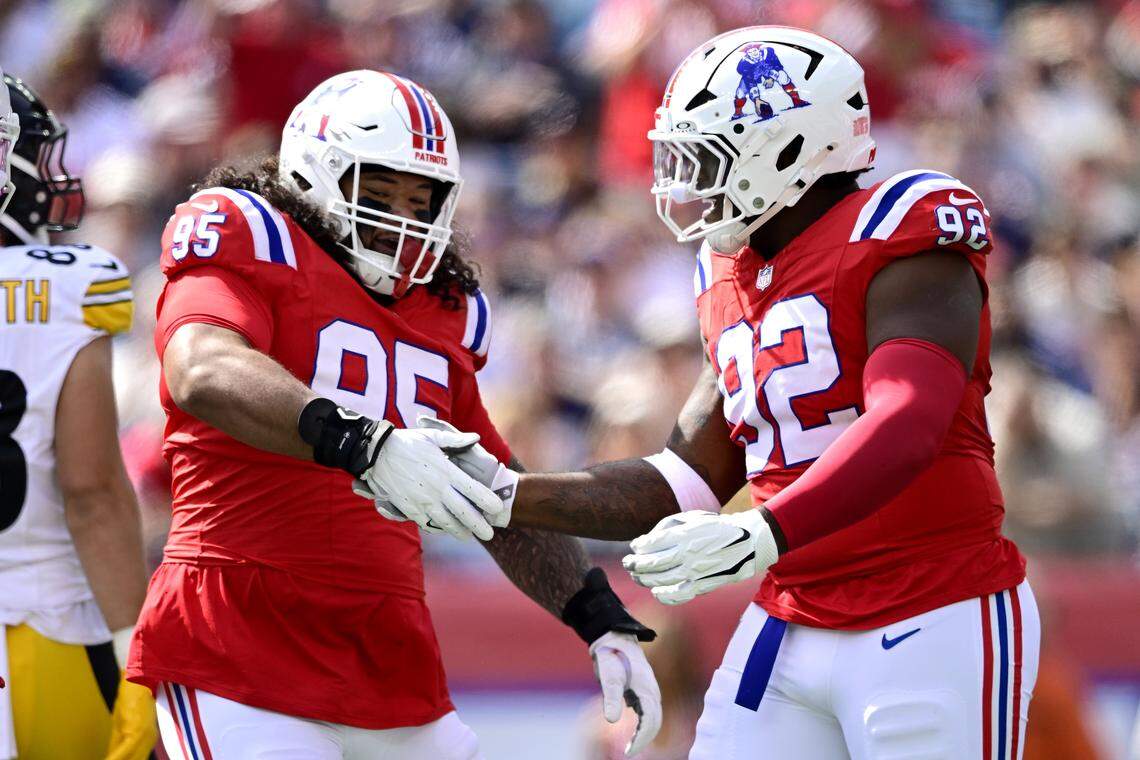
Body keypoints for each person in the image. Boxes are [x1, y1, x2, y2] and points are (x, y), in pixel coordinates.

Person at [386, 27, 1040, 759]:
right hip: (791, 616)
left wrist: (760, 532)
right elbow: (682, 478)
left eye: (707, 154)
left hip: (930, 607)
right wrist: (502, 490)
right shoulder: (727, 272)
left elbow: (909, 419)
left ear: (790, 148)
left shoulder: (901, 224)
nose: (687, 178)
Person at [125, 70, 660, 759]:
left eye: (420, 198)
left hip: (388, 660)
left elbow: (491, 488)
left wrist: (595, 614)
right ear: (315, 176)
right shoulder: (250, 237)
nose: (401, 219)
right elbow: (202, 368)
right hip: (238, 644)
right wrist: (364, 444)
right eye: (376, 194)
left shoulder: (445, 311)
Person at [0, 72, 155, 759]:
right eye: (31, 156)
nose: (48, 176)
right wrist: (139, 659)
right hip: (45, 624)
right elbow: (92, 490)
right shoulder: (68, 282)